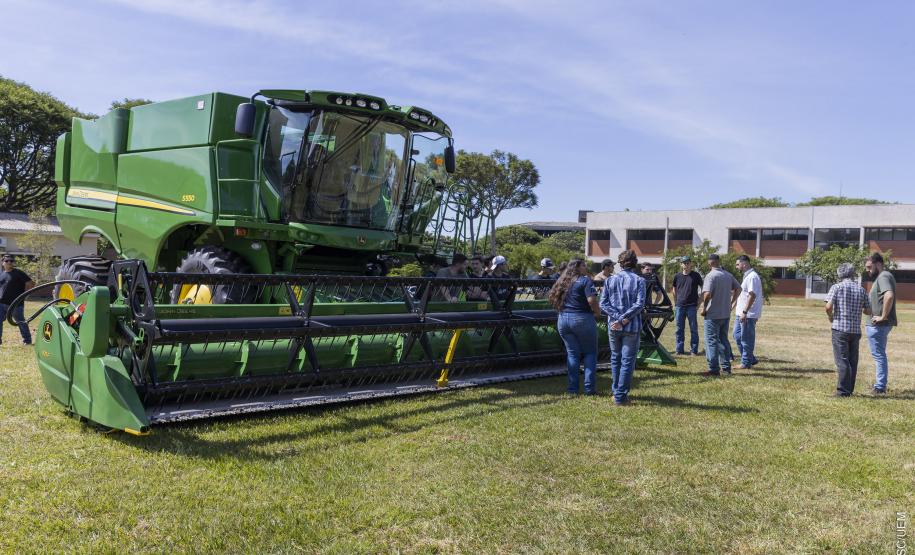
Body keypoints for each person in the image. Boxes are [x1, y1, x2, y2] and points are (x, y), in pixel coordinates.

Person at [599, 249, 646, 405]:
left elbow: (603, 304)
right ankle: (620, 396)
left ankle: (616, 391)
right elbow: (640, 304)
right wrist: (624, 318)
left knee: (616, 359)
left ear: (620, 263)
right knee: (627, 361)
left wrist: (618, 318)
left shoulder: (610, 280)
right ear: (635, 263)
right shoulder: (639, 280)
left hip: (614, 326)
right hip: (631, 326)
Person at [549, 259, 602, 395]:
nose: (586, 267)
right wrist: (597, 312)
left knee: (573, 354)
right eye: (583, 265)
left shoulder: (562, 281)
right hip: (582, 318)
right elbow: (591, 300)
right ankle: (589, 389)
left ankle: (573, 389)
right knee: (590, 353)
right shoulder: (585, 280)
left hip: (563, 319)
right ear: (577, 268)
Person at [825, 263, 870, 397]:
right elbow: (868, 310)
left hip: (840, 328)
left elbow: (828, 307)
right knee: (852, 360)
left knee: (842, 360)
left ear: (840, 274)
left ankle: (842, 391)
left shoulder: (837, 287)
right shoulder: (861, 289)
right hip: (855, 330)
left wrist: (831, 317)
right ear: (852, 273)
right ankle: (849, 390)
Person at [700, 253, 740, 376]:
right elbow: (738, 288)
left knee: (711, 341)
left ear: (710, 262)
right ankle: (726, 368)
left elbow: (707, 294)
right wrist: (731, 303)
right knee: (723, 340)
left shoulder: (710, 276)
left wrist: (704, 307)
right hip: (725, 314)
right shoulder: (728, 275)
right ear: (718, 261)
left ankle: (713, 369)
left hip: (712, 314)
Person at [864, 252, 896, 394]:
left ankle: (880, 387)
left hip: (878, 325)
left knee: (879, 355)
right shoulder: (883, 277)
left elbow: (889, 295)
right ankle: (880, 384)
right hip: (878, 324)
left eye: (869, 267)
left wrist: (883, 316)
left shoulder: (883, 277)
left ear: (878, 264)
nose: (868, 270)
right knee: (879, 355)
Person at [733, 255, 763, 369]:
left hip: (748, 314)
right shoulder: (747, 276)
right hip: (741, 313)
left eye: (737, 264)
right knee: (737, 335)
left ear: (744, 264)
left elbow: (752, 295)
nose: (736, 267)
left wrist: (745, 312)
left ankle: (746, 363)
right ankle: (751, 359)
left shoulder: (752, 277)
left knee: (746, 338)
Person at [670, 256, 703, 356]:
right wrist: (676, 302)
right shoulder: (677, 276)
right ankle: (679, 350)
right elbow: (674, 289)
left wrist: (699, 303)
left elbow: (704, 289)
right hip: (680, 306)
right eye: (684, 263)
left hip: (692, 306)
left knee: (693, 329)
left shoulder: (696, 275)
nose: (686, 265)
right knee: (679, 329)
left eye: (688, 263)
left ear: (691, 264)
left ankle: (694, 350)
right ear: (681, 264)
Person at [0, 255, 35, 346]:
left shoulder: (18, 272)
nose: (9, 262)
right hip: (2, 303)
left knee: (21, 322)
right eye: (7, 261)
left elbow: (31, 283)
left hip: (16, 304)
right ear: (2, 263)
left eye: (11, 261)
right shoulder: (2, 274)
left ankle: (27, 341)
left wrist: (25, 295)